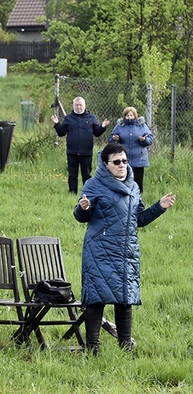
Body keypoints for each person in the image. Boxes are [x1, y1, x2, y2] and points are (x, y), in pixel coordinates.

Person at [74, 142, 175, 355]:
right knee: (96, 299)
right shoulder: (94, 184)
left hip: (126, 252)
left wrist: (160, 207)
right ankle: (92, 349)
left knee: (125, 299)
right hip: (99, 250)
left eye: (125, 161)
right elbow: (80, 216)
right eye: (117, 162)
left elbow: (138, 219)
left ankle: (125, 346)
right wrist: (83, 208)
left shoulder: (133, 186)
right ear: (105, 164)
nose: (122, 165)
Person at [51, 96, 110, 194]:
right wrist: (57, 124)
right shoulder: (68, 118)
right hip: (72, 152)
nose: (79, 107)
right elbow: (61, 133)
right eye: (77, 105)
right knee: (72, 175)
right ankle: (72, 193)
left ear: (84, 106)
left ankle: (87, 193)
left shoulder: (91, 117)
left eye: (80, 105)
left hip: (86, 152)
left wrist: (103, 127)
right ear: (73, 106)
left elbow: (97, 133)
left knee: (86, 175)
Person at [109, 106, 154, 193]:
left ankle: (138, 200)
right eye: (127, 115)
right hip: (124, 159)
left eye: (131, 115)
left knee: (138, 183)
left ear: (135, 116)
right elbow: (110, 139)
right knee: (124, 181)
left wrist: (144, 140)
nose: (129, 117)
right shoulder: (120, 126)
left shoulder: (142, 125)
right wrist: (115, 139)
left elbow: (150, 140)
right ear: (124, 116)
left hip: (139, 159)